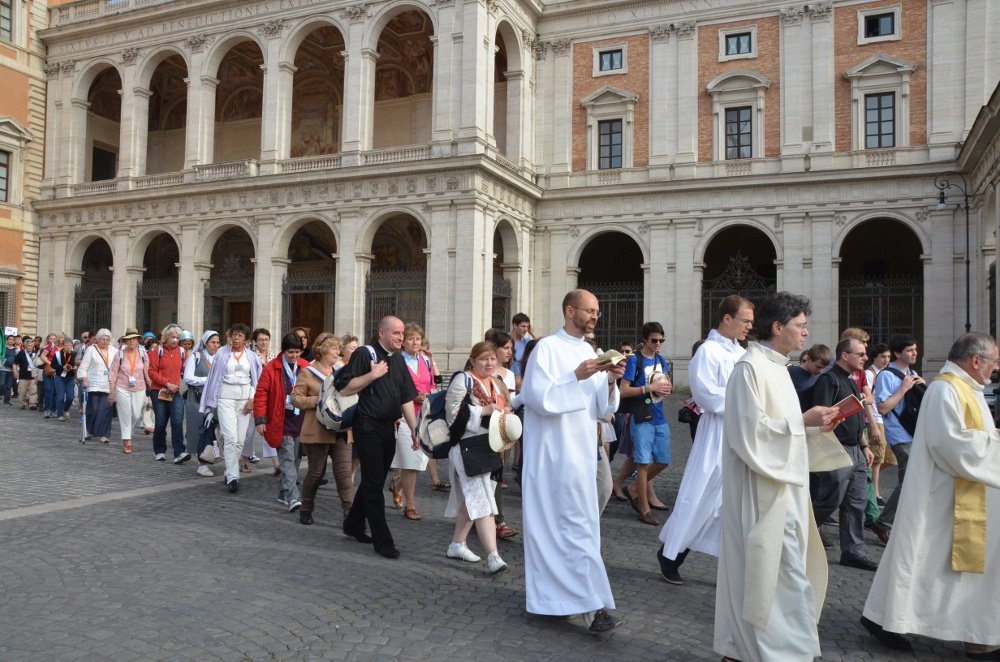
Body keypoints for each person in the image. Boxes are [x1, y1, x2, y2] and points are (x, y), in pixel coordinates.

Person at [714, 291, 845, 662]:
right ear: (777, 327)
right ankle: (773, 652)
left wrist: (817, 426)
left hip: (784, 488)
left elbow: (784, 427)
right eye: (800, 326)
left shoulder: (778, 367)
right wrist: (802, 422)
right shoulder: (749, 368)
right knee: (772, 574)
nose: (806, 334)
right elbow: (747, 433)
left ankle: (751, 650)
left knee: (783, 575)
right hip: (762, 492)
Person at [861, 332, 1000, 660]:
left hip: (960, 493)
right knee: (922, 561)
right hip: (941, 497)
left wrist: (992, 436)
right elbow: (949, 443)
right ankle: (892, 619)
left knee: (929, 565)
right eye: (994, 361)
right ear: (975, 360)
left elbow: (973, 434)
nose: (996, 368)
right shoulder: (945, 389)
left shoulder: (968, 388)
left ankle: (972, 630)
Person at [520, 289, 625, 634]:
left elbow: (601, 409)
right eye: (589, 310)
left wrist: (610, 380)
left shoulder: (589, 352)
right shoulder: (547, 348)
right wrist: (575, 377)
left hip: (581, 453)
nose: (595, 316)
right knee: (564, 529)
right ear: (569, 311)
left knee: (578, 528)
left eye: (597, 311)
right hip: (552, 455)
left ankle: (559, 602)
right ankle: (593, 608)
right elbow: (536, 397)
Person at [657, 295, 751, 585]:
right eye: (745, 320)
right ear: (726, 318)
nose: (750, 326)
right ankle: (672, 554)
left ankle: (737, 566)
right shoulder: (708, 352)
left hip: (741, 434)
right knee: (702, 497)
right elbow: (705, 395)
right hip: (716, 433)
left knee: (734, 503)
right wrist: (745, 401)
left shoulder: (741, 353)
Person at [335, 316, 419, 559]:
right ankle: (383, 541)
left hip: (389, 427)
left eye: (402, 333)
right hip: (367, 426)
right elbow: (345, 387)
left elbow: (405, 397)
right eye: (395, 333)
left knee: (375, 480)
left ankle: (352, 524)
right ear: (381, 333)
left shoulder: (399, 360)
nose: (400, 337)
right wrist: (372, 375)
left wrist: (414, 429)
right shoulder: (365, 354)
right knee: (373, 484)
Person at [441, 341, 510, 574]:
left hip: (490, 447)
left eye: (492, 358)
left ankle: (457, 544)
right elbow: (452, 413)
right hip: (467, 448)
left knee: (473, 499)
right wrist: (483, 411)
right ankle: (493, 556)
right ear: (473, 360)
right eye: (483, 359)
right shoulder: (463, 379)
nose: (489, 363)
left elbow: (504, 408)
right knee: (482, 502)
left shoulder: (496, 384)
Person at [810, 338, 878, 571]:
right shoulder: (829, 380)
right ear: (844, 355)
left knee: (856, 502)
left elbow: (857, 416)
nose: (865, 358)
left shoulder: (851, 380)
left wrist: (865, 446)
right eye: (860, 354)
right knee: (830, 499)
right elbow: (821, 416)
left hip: (856, 450)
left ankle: (853, 551)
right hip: (837, 449)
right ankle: (799, 533)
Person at [293, 333, 354, 523]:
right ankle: (306, 507)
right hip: (318, 430)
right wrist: (318, 401)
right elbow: (295, 398)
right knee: (316, 473)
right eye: (334, 348)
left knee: (344, 475)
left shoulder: (341, 370)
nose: (338, 352)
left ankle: (350, 516)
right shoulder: (308, 372)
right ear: (322, 350)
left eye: (339, 349)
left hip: (342, 430)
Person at [870, 333, 925, 543]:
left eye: (915, 349)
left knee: (911, 479)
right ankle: (885, 523)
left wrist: (922, 386)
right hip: (899, 434)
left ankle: (897, 523)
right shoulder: (886, 376)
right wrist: (904, 389)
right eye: (910, 350)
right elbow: (882, 407)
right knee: (911, 478)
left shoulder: (913, 372)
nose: (914, 353)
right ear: (897, 353)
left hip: (915, 431)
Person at [619, 321, 673, 525]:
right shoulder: (635, 361)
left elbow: (667, 384)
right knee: (642, 463)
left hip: (659, 416)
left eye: (661, 340)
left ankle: (634, 489)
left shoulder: (661, 360)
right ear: (644, 340)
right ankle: (644, 508)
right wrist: (648, 388)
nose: (658, 344)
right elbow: (623, 390)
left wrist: (666, 389)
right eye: (654, 340)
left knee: (663, 460)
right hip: (641, 416)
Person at [200, 323, 262, 493]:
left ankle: (229, 470)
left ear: (246, 340)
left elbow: (257, 379)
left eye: (240, 335)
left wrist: (252, 399)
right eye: (233, 334)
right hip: (225, 397)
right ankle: (233, 476)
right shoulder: (221, 354)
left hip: (244, 400)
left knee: (240, 440)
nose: (236, 338)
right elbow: (214, 377)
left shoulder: (251, 356)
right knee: (230, 437)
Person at [255, 332, 308, 512]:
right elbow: (261, 394)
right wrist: (260, 420)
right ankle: (293, 497)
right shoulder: (271, 368)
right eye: (290, 352)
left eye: (297, 352)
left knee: (296, 459)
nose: (294, 356)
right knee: (286, 458)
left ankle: (283, 493)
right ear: (284, 351)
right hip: (280, 420)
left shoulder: (305, 366)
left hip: (300, 420)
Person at [388, 323, 433, 521]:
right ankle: (411, 504)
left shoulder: (426, 360)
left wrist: (428, 395)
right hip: (403, 417)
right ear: (403, 342)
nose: (415, 342)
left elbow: (431, 384)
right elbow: (392, 389)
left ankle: (397, 486)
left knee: (418, 461)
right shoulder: (397, 361)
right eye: (411, 339)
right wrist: (413, 397)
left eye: (418, 339)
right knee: (411, 461)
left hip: (423, 416)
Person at [148, 324, 190, 463]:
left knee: (177, 421)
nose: (175, 340)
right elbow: (152, 372)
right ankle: (159, 450)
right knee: (160, 422)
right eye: (172, 337)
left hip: (176, 392)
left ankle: (179, 452)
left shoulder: (182, 352)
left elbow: (184, 371)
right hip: (159, 391)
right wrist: (167, 383)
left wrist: (181, 384)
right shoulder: (157, 351)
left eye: (177, 337)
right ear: (166, 338)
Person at [107, 328, 151, 454]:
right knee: (125, 414)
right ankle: (127, 440)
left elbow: (147, 372)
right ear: (126, 341)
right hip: (122, 387)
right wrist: (111, 391)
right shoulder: (119, 354)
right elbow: (113, 373)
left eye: (134, 338)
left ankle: (127, 433)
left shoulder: (143, 354)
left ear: (138, 340)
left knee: (136, 414)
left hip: (139, 387)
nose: (132, 341)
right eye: (129, 339)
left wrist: (151, 386)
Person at [183, 331, 221, 477]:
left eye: (218, 342)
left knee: (213, 429)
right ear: (205, 343)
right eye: (213, 342)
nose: (215, 345)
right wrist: (207, 381)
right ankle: (201, 463)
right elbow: (188, 378)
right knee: (199, 428)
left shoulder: (220, 357)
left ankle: (210, 456)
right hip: (197, 399)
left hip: (214, 400)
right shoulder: (196, 357)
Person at [865, 342, 896, 503]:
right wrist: (873, 425)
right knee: (877, 459)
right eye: (883, 356)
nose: (886, 360)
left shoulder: (885, 373)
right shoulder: (870, 374)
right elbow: (867, 399)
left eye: (889, 357)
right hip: (875, 420)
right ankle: (875, 493)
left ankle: (868, 482)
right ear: (875, 357)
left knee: (889, 458)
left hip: (884, 419)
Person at [78, 328, 118, 443]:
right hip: (93, 384)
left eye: (107, 339)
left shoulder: (114, 351)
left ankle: (104, 434)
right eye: (103, 339)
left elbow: (117, 368)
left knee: (105, 410)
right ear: (98, 340)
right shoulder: (91, 350)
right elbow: (84, 366)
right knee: (93, 409)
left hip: (108, 385)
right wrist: (84, 377)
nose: (105, 342)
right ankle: (89, 430)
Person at [788, 344, 830, 411]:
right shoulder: (791, 373)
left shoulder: (821, 376)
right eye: (818, 367)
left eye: (824, 368)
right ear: (808, 359)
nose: (821, 371)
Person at [52, 337, 78, 422]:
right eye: (66, 345)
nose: (68, 347)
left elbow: (78, 363)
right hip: (60, 377)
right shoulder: (58, 354)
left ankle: (65, 409)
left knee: (70, 396)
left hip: (70, 377)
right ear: (63, 346)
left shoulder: (74, 354)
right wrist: (61, 367)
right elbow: (53, 365)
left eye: (70, 345)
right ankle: (60, 414)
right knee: (60, 396)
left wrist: (74, 367)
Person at [510, 312, 533, 388]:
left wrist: (532, 333)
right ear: (514, 325)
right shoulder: (505, 340)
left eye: (527, 327)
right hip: (507, 379)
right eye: (523, 326)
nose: (526, 329)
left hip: (522, 382)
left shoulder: (527, 342)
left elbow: (542, 345)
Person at [15, 336, 37, 410]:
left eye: (31, 346)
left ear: (32, 346)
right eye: (28, 346)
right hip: (23, 375)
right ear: (25, 346)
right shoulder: (21, 353)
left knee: (33, 390)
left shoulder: (35, 354)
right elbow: (15, 363)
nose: (29, 347)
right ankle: (22, 403)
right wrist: (15, 372)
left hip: (33, 376)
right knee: (22, 391)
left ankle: (32, 404)